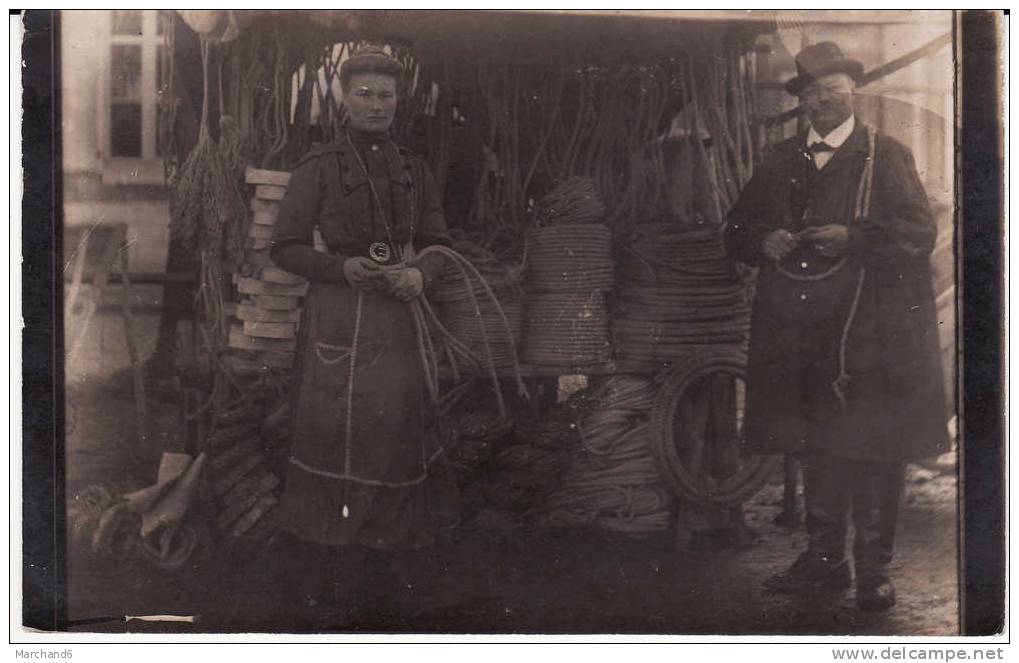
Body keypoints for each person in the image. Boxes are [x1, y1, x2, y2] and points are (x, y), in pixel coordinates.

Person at [724, 42, 948, 610]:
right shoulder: (779, 160)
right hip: (798, 330)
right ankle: (825, 562)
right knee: (813, 438)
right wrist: (761, 240)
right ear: (800, 102)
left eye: (834, 89)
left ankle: (874, 570)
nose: (823, 100)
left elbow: (918, 235)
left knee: (875, 444)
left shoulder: (885, 155)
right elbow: (737, 227)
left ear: (854, 93)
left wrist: (855, 237)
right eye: (812, 92)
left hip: (869, 331)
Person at [268, 44, 452, 602]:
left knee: (392, 431)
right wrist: (340, 268)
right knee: (332, 430)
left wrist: (420, 276)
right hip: (337, 313)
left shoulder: (415, 171)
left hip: (396, 315)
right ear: (344, 99)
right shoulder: (317, 168)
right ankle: (325, 568)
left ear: (400, 102)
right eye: (365, 94)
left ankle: (383, 564)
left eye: (386, 95)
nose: (376, 105)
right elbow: (284, 247)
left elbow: (441, 243)